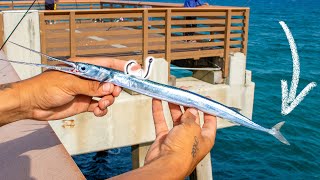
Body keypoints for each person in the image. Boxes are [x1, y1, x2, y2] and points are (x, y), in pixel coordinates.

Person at [0, 57, 217, 179]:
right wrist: (173, 165)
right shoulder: (106, 79)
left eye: (83, 69)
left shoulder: (112, 78)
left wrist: (24, 99)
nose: (79, 70)